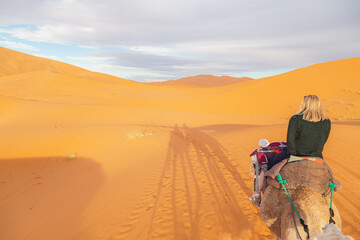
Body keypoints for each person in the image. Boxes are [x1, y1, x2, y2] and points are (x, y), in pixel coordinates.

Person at [249, 95, 331, 201]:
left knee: (265, 166)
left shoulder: (296, 119)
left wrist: (292, 154)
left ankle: (256, 193)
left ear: (305, 104)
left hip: (294, 155)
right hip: (317, 157)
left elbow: (290, 141)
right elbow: (324, 140)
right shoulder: (326, 121)